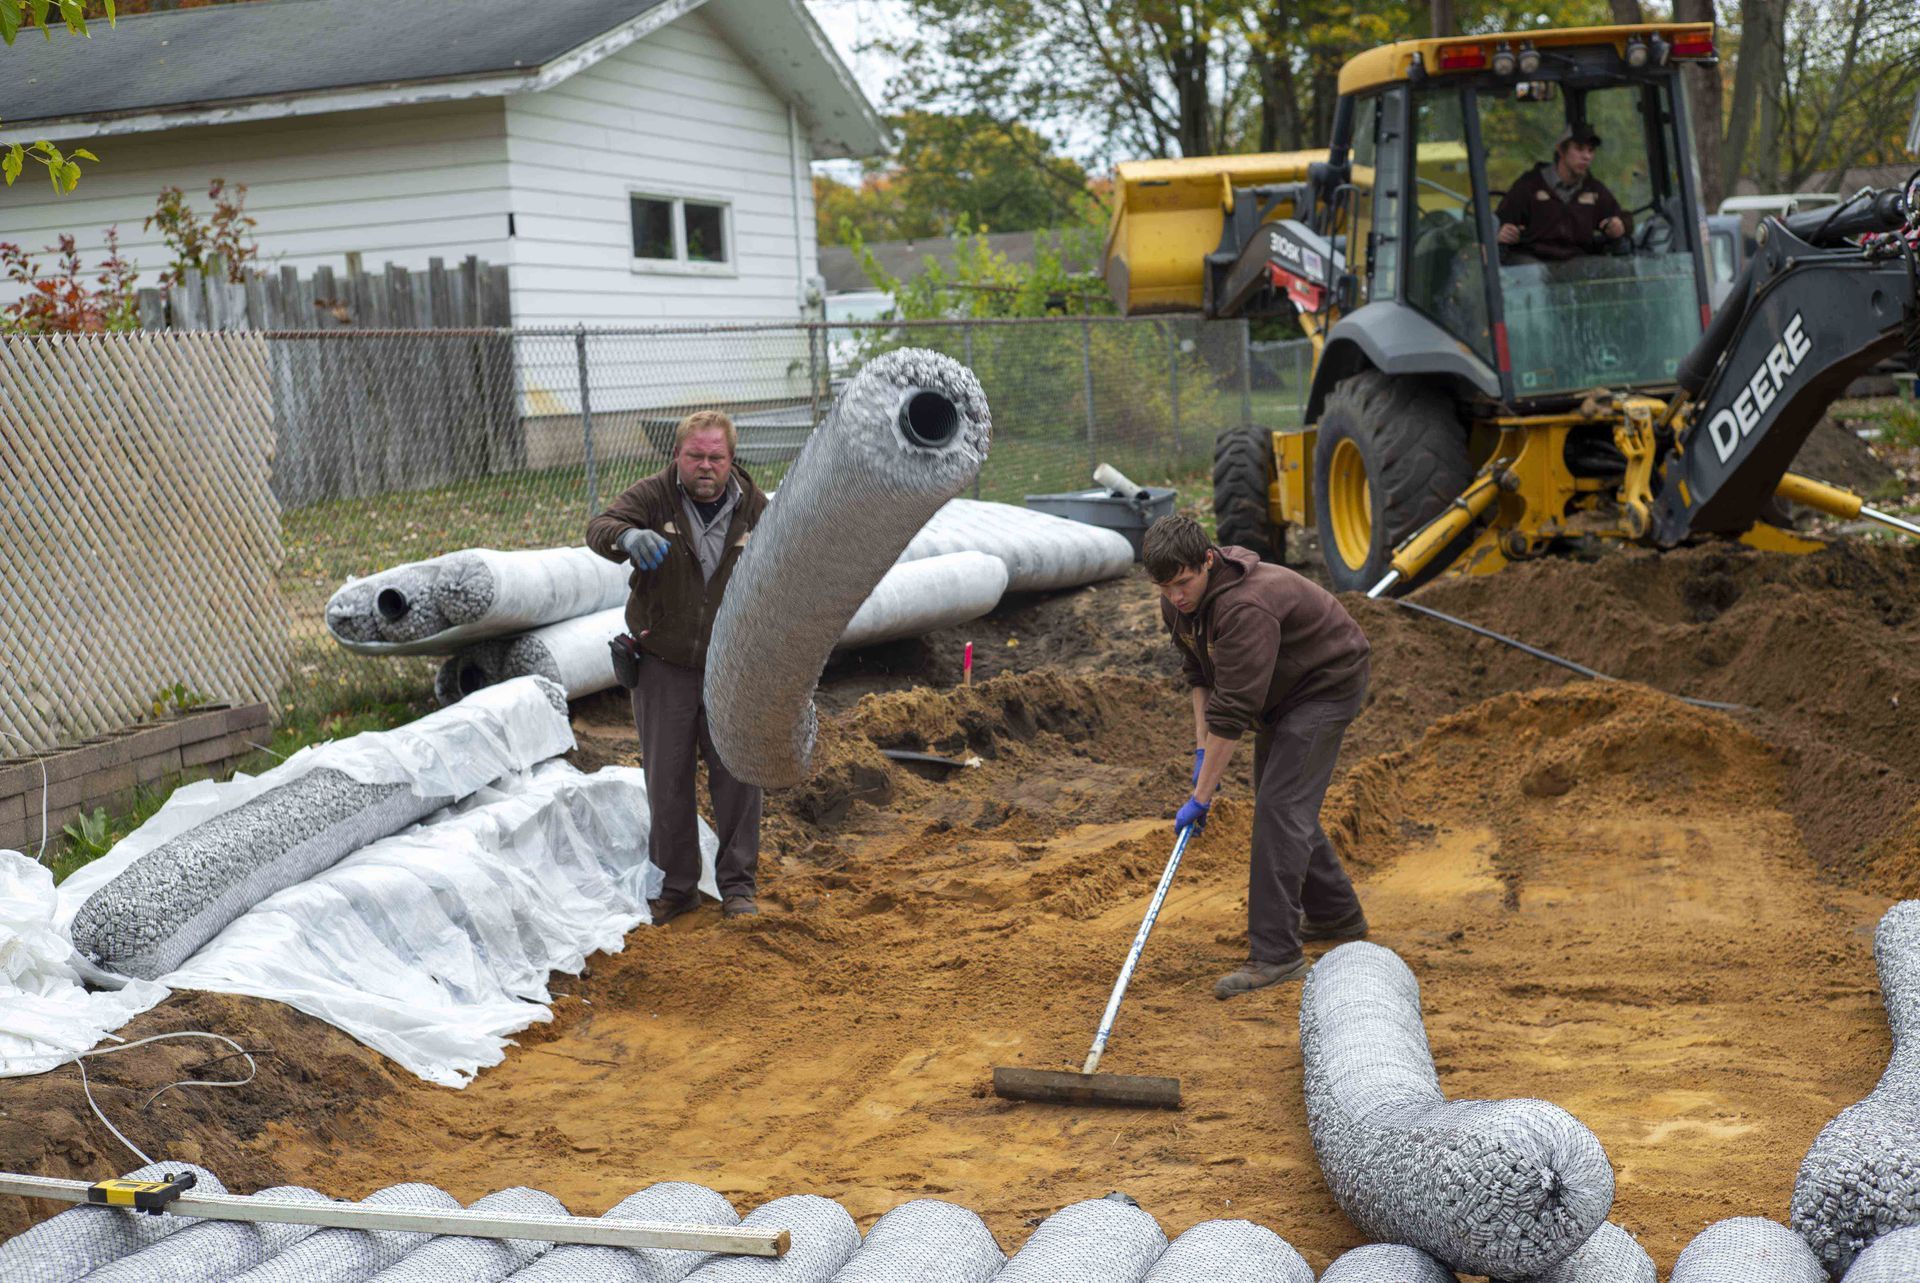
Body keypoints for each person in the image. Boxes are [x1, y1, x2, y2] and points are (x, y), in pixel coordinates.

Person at [1145, 515, 1372, 999]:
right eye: (1165, 588)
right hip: (1282, 690)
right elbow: (1201, 677)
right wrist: (1201, 752)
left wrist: (1202, 795)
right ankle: (1336, 915)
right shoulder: (1180, 605)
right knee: (1283, 803)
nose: (1176, 597)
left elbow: (1233, 710)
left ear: (1207, 560)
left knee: (1279, 809)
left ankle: (1276, 956)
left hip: (1325, 683)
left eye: (1183, 584)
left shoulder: (1245, 607)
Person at [586, 410, 769, 923]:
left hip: (732, 666)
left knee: (737, 776)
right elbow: (599, 526)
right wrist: (626, 538)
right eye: (695, 456)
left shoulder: (757, 509)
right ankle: (677, 887)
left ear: (731, 460)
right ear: (677, 456)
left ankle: (738, 888)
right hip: (664, 661)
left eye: (716, 457)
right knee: (667, 778)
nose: (705, 466)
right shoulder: (654, 496)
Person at [1495, 123, 1631, 261]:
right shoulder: (1529, 185)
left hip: (1579, 266)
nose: (1587, 156)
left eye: (1590, 150)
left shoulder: (1594, 189)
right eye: (1579, 149)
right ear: (1561, 150)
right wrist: (1501, 234)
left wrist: (1619, 225)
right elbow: (1500, 223)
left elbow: (1620, 218)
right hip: (1535, 267)